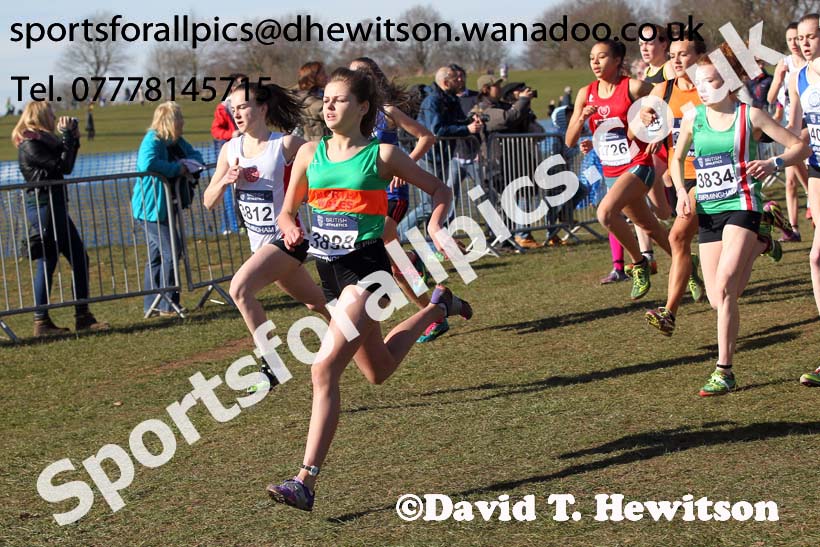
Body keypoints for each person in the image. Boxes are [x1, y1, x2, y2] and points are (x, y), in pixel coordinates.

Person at [267, 67, 473, 511]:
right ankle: (438, 307)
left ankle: (305, 480)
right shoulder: (308, 154)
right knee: (377, 371)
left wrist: (437, 227)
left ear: (363, 108)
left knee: (322, 370)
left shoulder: (380, 156)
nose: (329, 105)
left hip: (369, 273)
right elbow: (286, 211)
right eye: (326, 98)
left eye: (339, 99)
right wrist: (290, 230)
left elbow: (438, 189)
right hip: (329, 272)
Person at [674, 56, 809, 396]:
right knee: (717, 302)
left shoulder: (750, 116)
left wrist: (773, 161)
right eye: (700, 83)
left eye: (713, 81)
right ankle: (764, 240)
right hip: (709, 212)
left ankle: (724, 370)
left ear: (731, 82)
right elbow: (676, 159)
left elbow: (798, 146)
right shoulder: (693, 117)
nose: (705, 89)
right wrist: (680, 192)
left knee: (724, 287)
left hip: (743, 206)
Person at [204, 82, 329, 388]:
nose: (237, 114)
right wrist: (225, 181)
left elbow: (325, 162)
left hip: (288, 240)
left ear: (262, 108)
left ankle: (270, 363)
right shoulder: (230, 150)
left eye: (243, 107)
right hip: (261, 247)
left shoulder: (284, 145)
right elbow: (208, 201)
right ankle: (359, 328)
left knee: (239, 289)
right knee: (320, 305)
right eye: (232, 109)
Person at [348, 57, 445, 343]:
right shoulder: (351, 117)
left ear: (371, 79)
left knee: (386, 246)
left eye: (358, 76)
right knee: (395, 265)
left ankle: (428, 300)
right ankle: (432, 311)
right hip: (369, 195)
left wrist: (406, 167)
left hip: (392, 193)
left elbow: (426, 137)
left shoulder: (387, 111)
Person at [566, 39, 672, 299]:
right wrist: (582, 119)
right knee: (652, 228)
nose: (595, 62)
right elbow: (569, 141)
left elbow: (664, 98)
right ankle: (688, 266)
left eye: (601, 57)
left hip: (639, 165)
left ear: (616, 61)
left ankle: (638, 263)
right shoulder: (585, 93)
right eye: (592, 58)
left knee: (604, 213)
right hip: (611, 171)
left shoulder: (633, 86)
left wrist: (653, 126)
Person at [12, 102, 108, 336]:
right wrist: (67, 138)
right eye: (51, 113)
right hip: (44, 208)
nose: (56, 117)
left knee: (76, 257)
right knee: (49, 261)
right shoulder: (30, 143)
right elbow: (61, 165)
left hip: (54, 206)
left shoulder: (45, 141)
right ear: (41, 115)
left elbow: (67, 165)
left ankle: (79, 316)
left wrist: (72, 139)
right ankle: (43, 321)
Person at [643, 36, 708, 335]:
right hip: (681, 175)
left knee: (678, 236)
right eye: (672, 55)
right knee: (682, 240)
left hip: (711, 172)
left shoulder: (712, 87)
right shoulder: (663, 89)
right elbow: (640, 123)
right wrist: (646, 118)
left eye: (684, 54)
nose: (677, 60)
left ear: (700, 56)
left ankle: (669, 312)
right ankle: (762, 232)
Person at [133, 101, 203, 317]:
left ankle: (151, 304)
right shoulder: (152, 140)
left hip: (167, 206)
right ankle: (166, 305)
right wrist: (177, 169)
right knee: (172, 250)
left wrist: (189, 164)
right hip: (150, 209)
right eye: (179, 118)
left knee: (157, 256)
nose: (183, 122)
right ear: (171, 121)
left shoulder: (176, 141)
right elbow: (147, 164)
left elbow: (197, 156)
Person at [788, 13, 820, 387]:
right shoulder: (799, 77)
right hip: (817, 170)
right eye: (802, 38)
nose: (806, 43)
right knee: (816, 256)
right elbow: (793, 132)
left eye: (812, 36)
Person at [769, 22, 810, 242]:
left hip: (808, 122)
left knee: (792, 154)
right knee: (790, 181)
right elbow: (770, 97)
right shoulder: (784, 64)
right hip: (793, 121)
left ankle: (812, 199)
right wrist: (779, 76)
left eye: (799, 38)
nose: (795, 44)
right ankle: (794, 229)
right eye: (790, 40)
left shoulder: (812, 63)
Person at [210, 73, 246, 235]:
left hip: (246, 149)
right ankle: (232, 225)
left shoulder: (250, 104)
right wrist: (231, 135)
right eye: (241, 84)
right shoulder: (223, 107)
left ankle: (242, 223)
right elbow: (215, 130)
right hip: (230, 151)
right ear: (232, 88)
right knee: (228, 191)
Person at [293, 62, 331, 141]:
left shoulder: (320, 93)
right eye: (322, 73)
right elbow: (331, 112)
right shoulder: (307, 100)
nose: (326, 76)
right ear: (312, 77)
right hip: (315, 145)